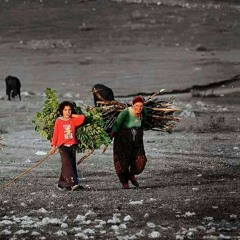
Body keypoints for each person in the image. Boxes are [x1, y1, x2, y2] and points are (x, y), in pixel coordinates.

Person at [110, 95, 148, 189]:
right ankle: (124, 182)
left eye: (141, 106)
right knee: (122, 161)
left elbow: (143, 123)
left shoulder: (144, 112)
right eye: (136, 106)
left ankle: (132, 174)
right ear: (132, 105)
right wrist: (110, 137)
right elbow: (117, 125)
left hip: (137, 140)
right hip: (122, 139)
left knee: (141, 159)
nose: (139, 108)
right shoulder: (125, 113)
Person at [50, 101, 86, 191]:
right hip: (62, 146)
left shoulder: (73, 120)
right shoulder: (58, 121)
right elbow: (55, 134)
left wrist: (73, 115)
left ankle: (62, 184)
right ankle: (72, 184)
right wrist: (53, 146)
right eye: (65, 110)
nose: (67, 112)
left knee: (71, 164)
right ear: (61, 111)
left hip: (72, 146)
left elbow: (82, 118)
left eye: (69, 110)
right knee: (67, 164)